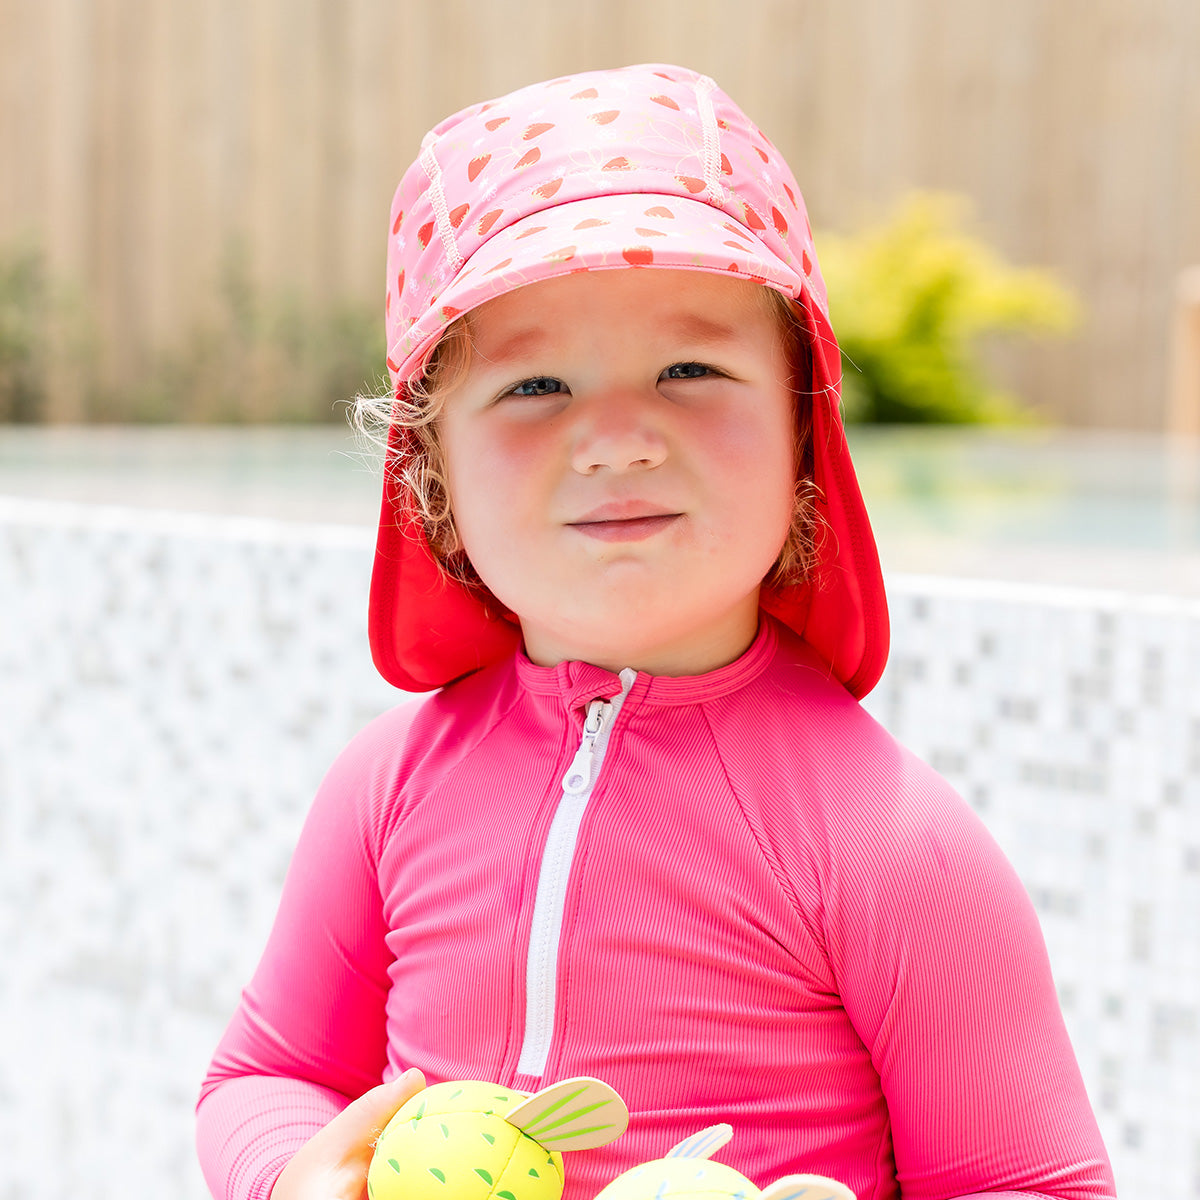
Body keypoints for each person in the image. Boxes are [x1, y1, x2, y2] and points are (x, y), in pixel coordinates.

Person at [196, 63, 1115, 1200]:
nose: (619, 439)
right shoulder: (389, 790)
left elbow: (1035, 1183)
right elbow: (265, 1074)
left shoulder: (886, 844)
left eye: (691, 369)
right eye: (534, 386)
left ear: (802, 432)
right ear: (430, 472)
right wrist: (293, 1176)